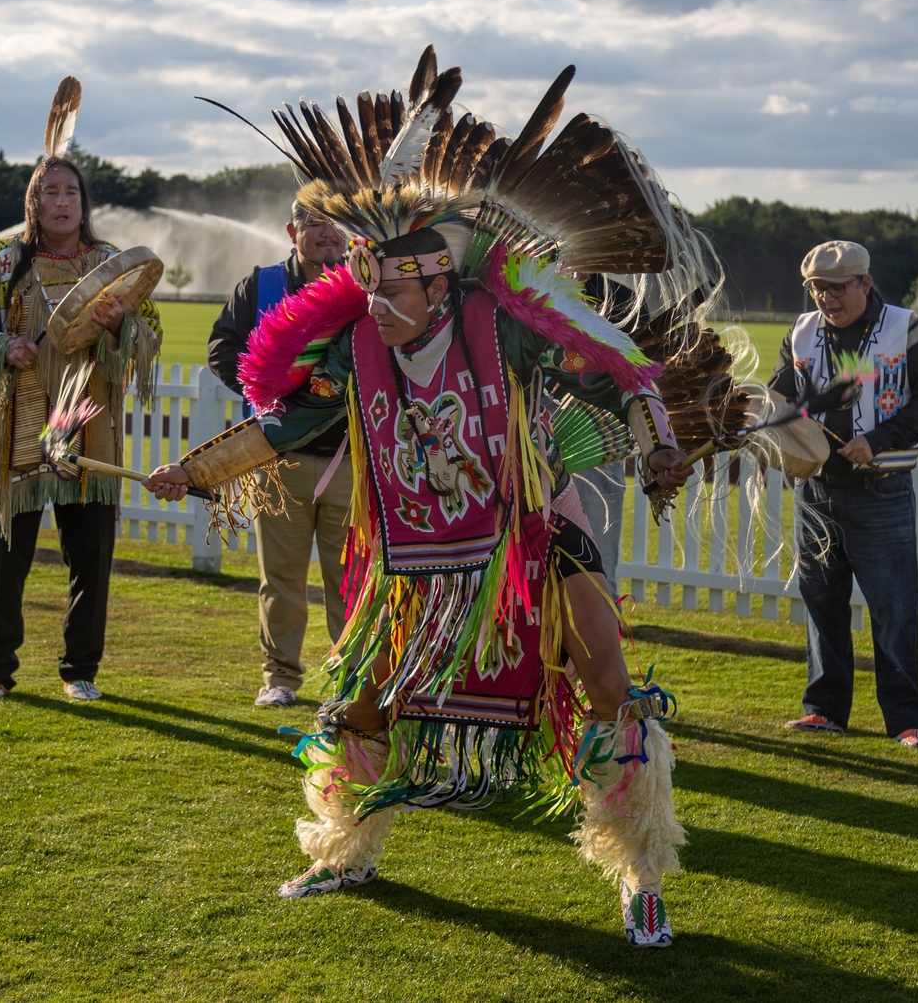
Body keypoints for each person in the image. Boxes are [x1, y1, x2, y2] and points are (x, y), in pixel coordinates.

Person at [147, 47, 710, 946]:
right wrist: (194, 472)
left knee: (606, 681)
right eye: (366, 278)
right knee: (360, 703)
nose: (373, 294)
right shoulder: (353, 349)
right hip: (414, 564)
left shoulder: (503, 330)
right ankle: (345, 850)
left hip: (529, 544)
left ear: (439, 277)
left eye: (393, 280)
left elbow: (619, 379)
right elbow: (287, 426)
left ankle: (639, 875)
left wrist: (662, 448)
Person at [0, 79, 162, 705]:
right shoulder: (0, 264)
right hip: (18, 423)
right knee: (5, 558)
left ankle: (80, 670)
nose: (62, 202)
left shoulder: (112, 263)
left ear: (84, 202)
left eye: (72, 192)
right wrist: (0, 348)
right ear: (32, 202)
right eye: (50, 192)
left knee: (91, 558)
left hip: (86, 421)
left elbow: (152, 335)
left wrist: (123, 325)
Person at [770, 240, 918, 748]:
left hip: (883, 491)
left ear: (865, 284)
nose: (825, 299)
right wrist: (778, 435)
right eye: (816, 289)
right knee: (821, 606)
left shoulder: (904, 326)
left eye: (836, 288)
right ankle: (824, 711)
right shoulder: (801, 333)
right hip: (816, 492)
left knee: (894, 612)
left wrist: (878, 440)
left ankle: (908, 722)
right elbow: (781, 397)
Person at [208, 202, 350, 708]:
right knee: (281, 580)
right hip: (279, 458)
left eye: (338, 224)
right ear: (293, 231)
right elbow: (223, 349)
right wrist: (268, 392)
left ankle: (349, 684)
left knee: (349, 582)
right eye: (315, 223)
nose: (328, 235)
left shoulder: (369, 284)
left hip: (350, 462)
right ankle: (281, 679)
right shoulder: (260, 286)